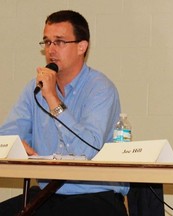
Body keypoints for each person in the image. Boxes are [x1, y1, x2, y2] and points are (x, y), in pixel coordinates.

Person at [0, 10, 129, 216]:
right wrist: (15, 146)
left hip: (94, 195)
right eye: (47, 42)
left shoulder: (100, 89)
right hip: (48, 194)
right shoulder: (33, 90)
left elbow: (86, 150)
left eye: (59, 42)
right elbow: (4, 138)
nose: (51, 49)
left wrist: (52, 98)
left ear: (81, 47)